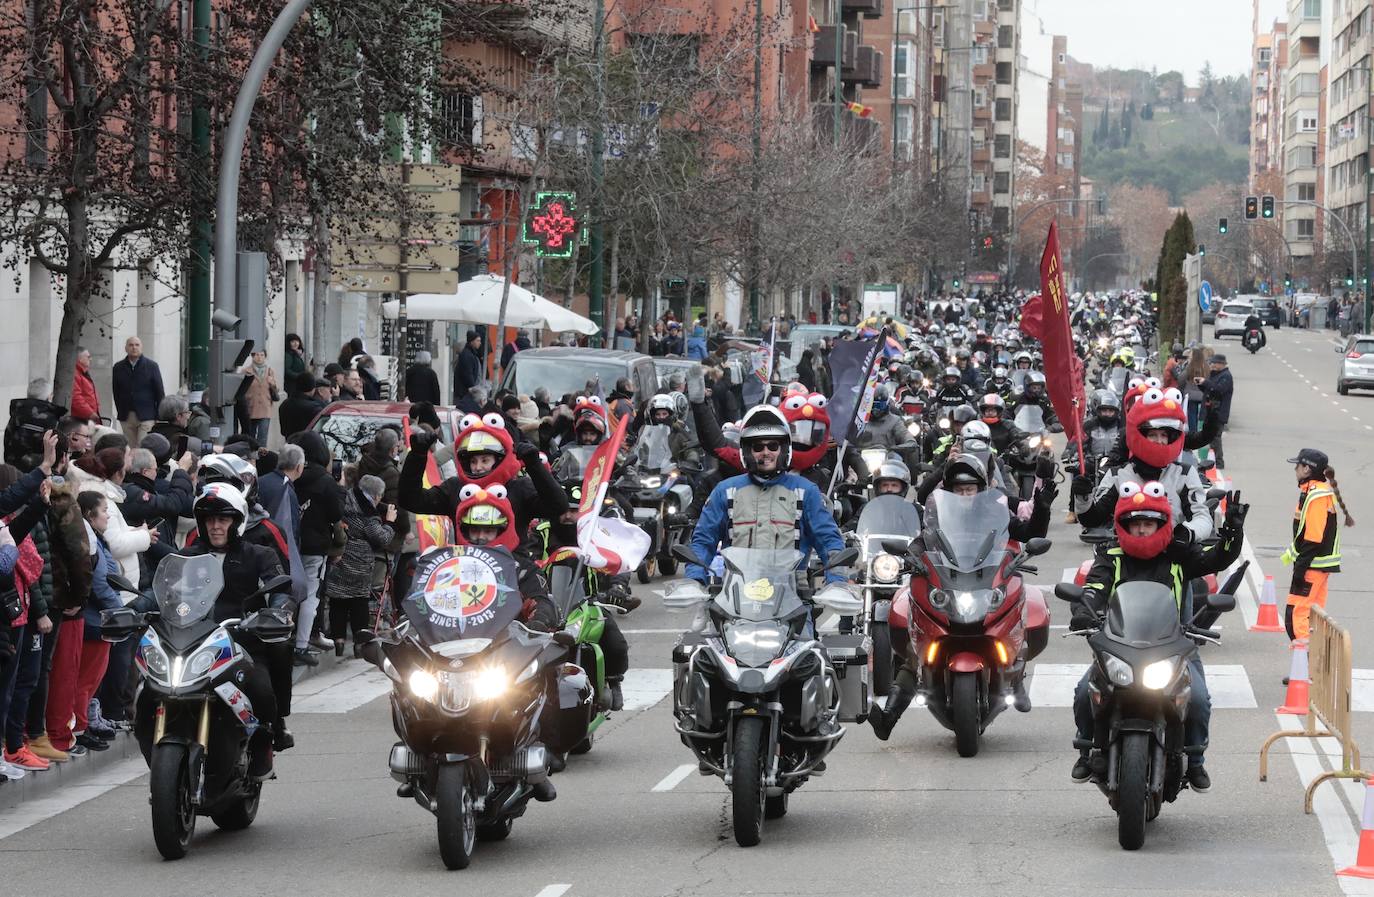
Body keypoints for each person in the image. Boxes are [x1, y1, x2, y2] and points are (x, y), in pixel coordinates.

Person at [1069, 480, 1248, 792]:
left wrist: (1232, 532)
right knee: (1086, 690)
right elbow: (1095, 587)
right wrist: (1085, 610)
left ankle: (1195, 761)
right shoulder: (1110, 554)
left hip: (1173, 643)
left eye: (1148, 523)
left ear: (1162, 524)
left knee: (1200, 699)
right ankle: (1086, 750)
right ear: (1123, 524)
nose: (1141, 530)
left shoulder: (1177, 555)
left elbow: (1217, 559)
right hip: (1118, 643)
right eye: (1135, 524)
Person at [869, 454, 1049, 738]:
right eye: (959, 489)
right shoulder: (937, 515)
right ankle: (888, 717)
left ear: (980, 489)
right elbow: (922, 541)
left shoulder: (995, 512)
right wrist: (911, 559)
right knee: (916, 652)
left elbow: (1031, 532)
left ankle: (1015, 679)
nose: (965, 494)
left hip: (985, 585)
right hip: (949, 586)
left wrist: (1043, 507)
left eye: (970, 488)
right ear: (950, 490)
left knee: (1017, 613)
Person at [176, 484, 295, 762]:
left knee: (263, 689)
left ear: (237, 522)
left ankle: (271, 730)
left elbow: (279, 591)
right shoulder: (187, 556)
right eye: (209, 520)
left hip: (242, 641)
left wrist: (276, 612)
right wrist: (137, 607)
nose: (216, 526)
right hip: (194, 643)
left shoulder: (259, 555)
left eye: (223, 519)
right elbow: (164, 590)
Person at [687, 404, 845, 588]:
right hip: (733, 598)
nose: (766, 452)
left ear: (784, 448)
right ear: (746, 451)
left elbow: (828, 540)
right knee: (702, 614)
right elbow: (704, 540)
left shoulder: (806, 491)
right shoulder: (725, 491)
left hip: (793, 600)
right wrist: (694, 579)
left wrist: (837, 581)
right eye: (757, 447)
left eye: (773, 445)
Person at [1280, 449, 1355, 643]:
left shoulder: (1316, 496)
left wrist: (1301, 568)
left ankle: (1304, 666)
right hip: (1317, 567)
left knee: (1297, 617)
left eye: (1297, 465)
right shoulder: (1313, 492)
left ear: (1306, 469)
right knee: (1313, 616)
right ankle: (1315, 665)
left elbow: (1313, 538)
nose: (1295, 469)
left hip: (1312, 566)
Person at [286, 431, 344, 666]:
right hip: (316, 545)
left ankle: (283, 638)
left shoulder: (291, 476)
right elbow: (336, 514)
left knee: (286, 591)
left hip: (290, 543)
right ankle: (301, 645)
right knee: (310, 595)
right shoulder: (326, 481)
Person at [325, 474, 395, 657]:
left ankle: (338, 641)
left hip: (340, 555)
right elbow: (382, 538)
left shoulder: (345, 499)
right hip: (360, 560)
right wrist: (389, 523)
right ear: (377, 495)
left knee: (337, 600)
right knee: (359, 602)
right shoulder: (369, 515)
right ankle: (359, 645)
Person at [111, 336, 165, 446]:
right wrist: (120, 410)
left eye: (137, 345)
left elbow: (159, 392)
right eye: (131, 345)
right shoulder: (118, 367)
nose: (134, 348)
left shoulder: (152, 366)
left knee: (143, 446)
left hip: (147, 415)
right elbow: (116, 392)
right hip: (127, 415)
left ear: (141, 347)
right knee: (130, 448)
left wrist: (160, 416)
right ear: (126, 348)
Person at [4, 378, 64, 472]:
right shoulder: (52, 419)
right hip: (40, 473)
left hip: (13, 471)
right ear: (49, 397)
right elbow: (55, 450)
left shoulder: (17, 413)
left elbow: (7, 441)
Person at [1198, 354, 1233, 470]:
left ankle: (1219, 462)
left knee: (1216, 437)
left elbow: (1218, 390)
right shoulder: (1214, 375)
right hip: (1210, 411)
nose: (1212, 365)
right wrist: (1201, 384)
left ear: (1221, 364)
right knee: (1210, 437)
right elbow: (1209, 390)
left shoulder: (1226, 376)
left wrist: (1206, 382)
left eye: (1214, 363)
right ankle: (1211, 461)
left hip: (1218, 412)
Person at [239, 348, 279, 447]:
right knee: (250, 436)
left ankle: (262, 458)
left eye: (262, 355)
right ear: (252, 356)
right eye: (257, 355)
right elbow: (240, 389)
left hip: (265, 408)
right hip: (250, 407)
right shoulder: (246, 371)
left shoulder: (270, 371)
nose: (259, 357)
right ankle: (251, 456)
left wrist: (272, 384)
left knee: (263, 436)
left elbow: (276, 390)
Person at [279, 371, 327, 438]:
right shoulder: (314, 408)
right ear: (313, 388)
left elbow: (283, 431)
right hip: (309, 445)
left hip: (290, 443)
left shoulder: (284, 404)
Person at [71, 347, 101, 423]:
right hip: (82, 418)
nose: (90, 359)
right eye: (88, 357)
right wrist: (89, 413)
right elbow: (76, 397)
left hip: (88, 416)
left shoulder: (83, 373)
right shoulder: (76, 374)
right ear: (79, 359)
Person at [455, 329, 484, 398]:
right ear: (471, 342)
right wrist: (474, 389)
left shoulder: (471, 354)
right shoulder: (467, 355)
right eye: (478, 341)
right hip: (466, 393)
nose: (480, 343)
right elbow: (468, 374)